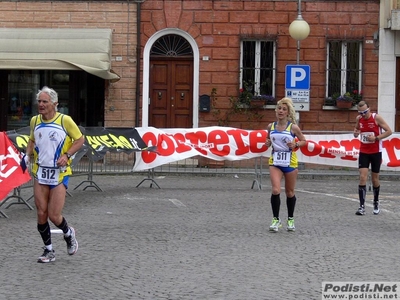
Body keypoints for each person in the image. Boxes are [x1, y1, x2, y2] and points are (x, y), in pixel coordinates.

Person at [24, 86, 85, 263]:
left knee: (54, 215)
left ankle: (68, 233)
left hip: (59, 173)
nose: (41, 105)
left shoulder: (65, 120)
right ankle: (48, 250)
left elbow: (80, 139)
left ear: (54, 104)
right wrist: (27, 155)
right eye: (39, 101)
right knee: (41, 213)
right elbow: (32, 139)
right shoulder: (35, 121)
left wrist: (67, 155)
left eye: (45, 102)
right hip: (40, 171)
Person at [265, 97, 306, 232]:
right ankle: (276, 219)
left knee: (289, 192)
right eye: (279, 109)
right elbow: (268, 138)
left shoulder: (293, 127)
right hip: (275, 161)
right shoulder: (270, 126)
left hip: (289, 161)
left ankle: (290, 218)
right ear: (275, 111)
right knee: (276, 190)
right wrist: (268, 142)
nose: (280, 111)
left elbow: (304, 141)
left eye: (284, 109)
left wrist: (296, 144)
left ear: (288, 112)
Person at [353, 100, 392, 216]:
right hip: (364, 151)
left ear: (369, 109)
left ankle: (375, 202)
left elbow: (389, 131)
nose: (363, 115)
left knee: (375, 179)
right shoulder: (358, 119)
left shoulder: (376, 118)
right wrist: (355, 133)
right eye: (360, 112)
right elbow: (357, 130)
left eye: (364, 112)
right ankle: (362, 207)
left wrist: (376, 138)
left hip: (375, 152)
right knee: (362, 177)